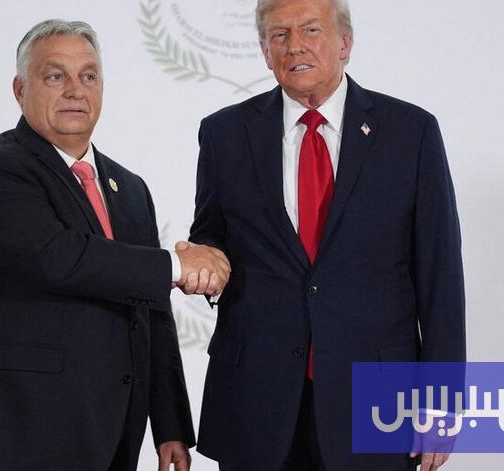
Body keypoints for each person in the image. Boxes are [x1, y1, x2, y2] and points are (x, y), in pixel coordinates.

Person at [0, 19, 230, 471]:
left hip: (104, 436)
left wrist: (170, 423)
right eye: (55, 75)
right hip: (2, 434)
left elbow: (149, 312)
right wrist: (178, 266)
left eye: (89, 76)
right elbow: (61, 258)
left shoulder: (130, 188)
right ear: (20, 89)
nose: (75, 90)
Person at [186, 0, 466, 470]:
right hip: (256, 399)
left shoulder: (411, 133)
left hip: (376, 403)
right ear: (265, 51)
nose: (295, 45)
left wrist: (441, 402)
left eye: (311, 30)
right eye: (279, 35)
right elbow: (212, 234)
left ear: (345, 43)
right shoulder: (224, 134)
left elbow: (440, 276)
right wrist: (203, 258)